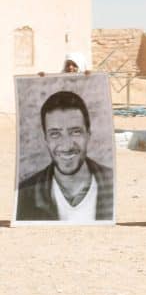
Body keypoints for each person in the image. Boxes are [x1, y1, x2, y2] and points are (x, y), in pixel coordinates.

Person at [16, 91, 113, 221]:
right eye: (55, 134)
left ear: (88, 134)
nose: (67, 146)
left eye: (75, 132)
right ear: (46, 139)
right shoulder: (25, 195)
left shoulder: (112, 183)